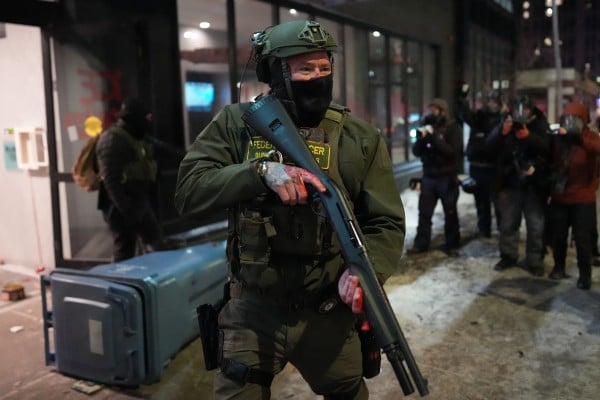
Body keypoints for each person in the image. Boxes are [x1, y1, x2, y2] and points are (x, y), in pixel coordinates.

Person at [174, 20, 406, 399]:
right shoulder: (238, 124)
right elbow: (188, 191)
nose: (317, 77)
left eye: (324, 68)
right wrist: (260, 172)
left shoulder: (359, 138)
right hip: (253, 310)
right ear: (276, 74)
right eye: (304, 69)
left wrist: (367, 270)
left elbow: (385, 221)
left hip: (327, 309)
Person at [486, 95, 551, 276]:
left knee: (535, 226)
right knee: (508, 224)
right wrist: (502, 132)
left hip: (533, 185)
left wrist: (528, 137)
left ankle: (535, 260)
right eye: (518, 110)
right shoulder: (505, 122)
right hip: (510, 183)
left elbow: (547, 148)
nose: (522, 114)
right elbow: (488, 147)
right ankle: (508, 255)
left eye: (526, 110)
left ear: (532, 110)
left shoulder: (539, 124)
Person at [96, 97, 160, 261]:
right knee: (124, 252)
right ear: (134, 118)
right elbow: (111, 181)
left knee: (155, 242)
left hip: (138, 202)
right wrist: (127, 210)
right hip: (120, 207)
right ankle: (120, 285)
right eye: (145, 118)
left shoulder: (133, 136)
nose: (147, 122)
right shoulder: (112, 140)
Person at [547, 102, 600, 290]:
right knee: (559, 236)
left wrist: (580, 140)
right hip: (560, 197)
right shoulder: (560, 139)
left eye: (575, 120)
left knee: (583, 239)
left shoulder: (589, 137)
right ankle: (559, 267)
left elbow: (597, 147)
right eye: (567, 120)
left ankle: (584, 276)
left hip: (583, 199)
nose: (570, 124)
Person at [408, 98, 463, 256]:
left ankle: (452, 245)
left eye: (435, 109)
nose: (432, 112)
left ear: (443, 111)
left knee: (450, 213)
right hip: (429, 177)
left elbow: (452, 152)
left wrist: (434, 138)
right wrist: (424, 138)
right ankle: (421, 243)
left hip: (447, 177)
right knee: (424, 213)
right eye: (431, 109)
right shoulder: (427, 127)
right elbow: (416, 151)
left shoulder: (453, 128)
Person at [458, 89, 506, 238]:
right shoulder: (480, 116)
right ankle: (484, 229)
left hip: (493, 167)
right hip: (478, 166)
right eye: (491, 101)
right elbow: (466, 115)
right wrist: (462, 99)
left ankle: (502, 229)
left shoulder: (502, 120)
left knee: (498, 202)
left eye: (495, 102)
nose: (492, 104)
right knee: (481, 201)